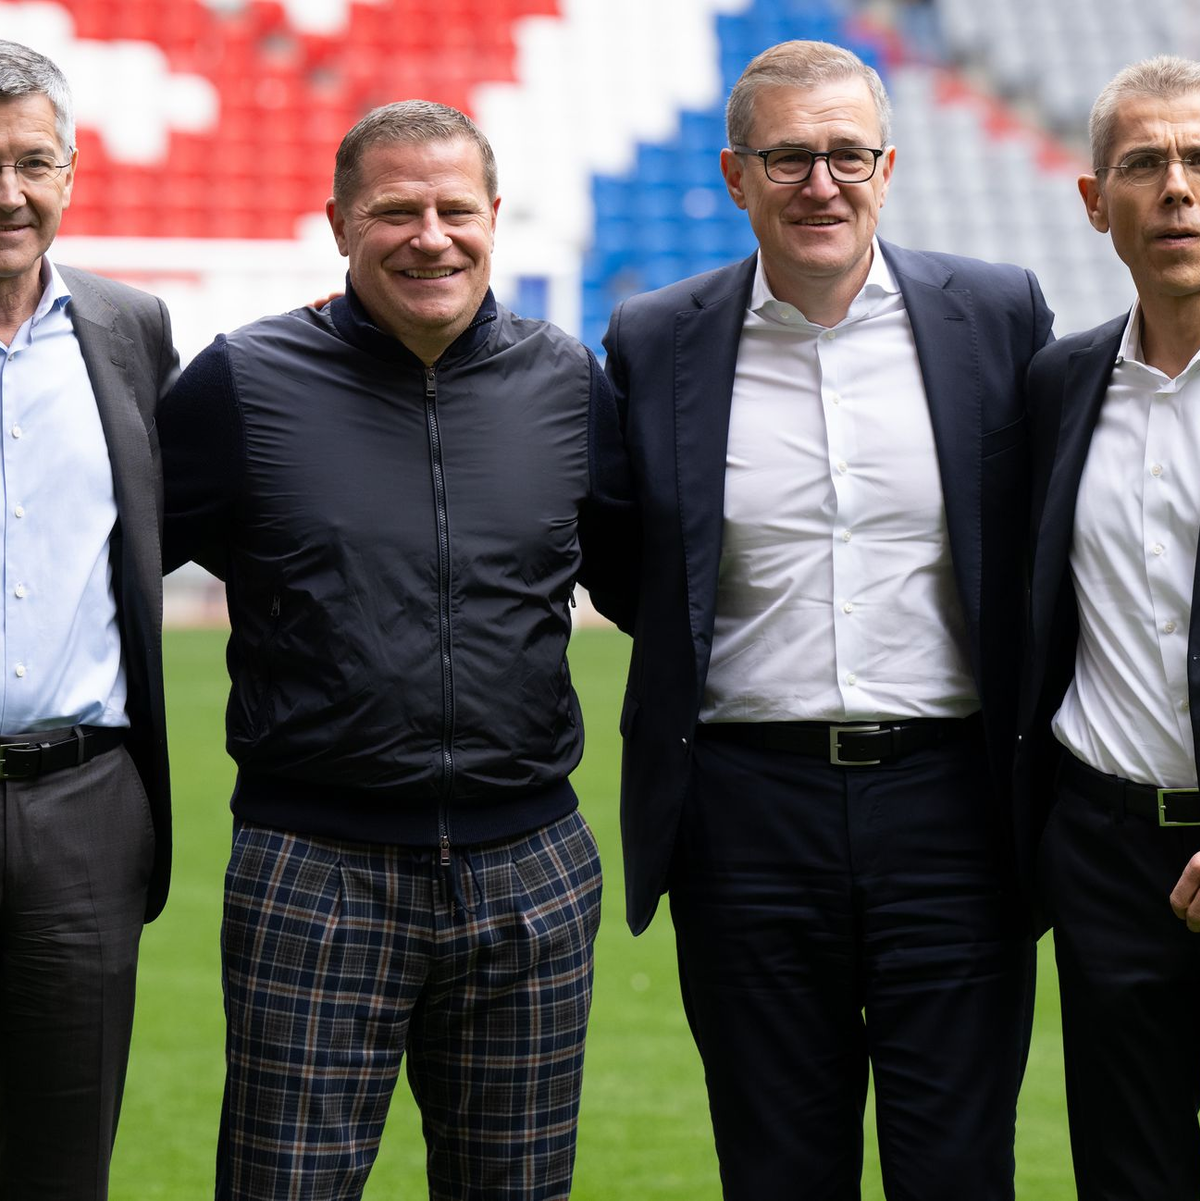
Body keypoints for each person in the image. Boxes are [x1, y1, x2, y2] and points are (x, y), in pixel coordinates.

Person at [588, 40, 1053, 1199]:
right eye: (788, 156)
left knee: (958, 1168)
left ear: (888, 168)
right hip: (745, 812)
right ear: (736, 176)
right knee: (777, 1168)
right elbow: (625, 565)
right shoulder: (657, 337)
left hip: (954, 806)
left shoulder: (997, 314)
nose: (821, 183)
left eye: (847, 154)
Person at [159, 100, 618, 1201]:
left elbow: (650, 582)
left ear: (495, 216)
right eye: (395, 211)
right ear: (339, 223)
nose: (430, 237)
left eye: (456, 209)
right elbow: (114, 568)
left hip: (532, 867)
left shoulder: (569, 383)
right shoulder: (241, 382)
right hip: (314, 865)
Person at [1017, 54, 1200, 1200]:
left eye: (1199, 160)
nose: (1178, 187)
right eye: (1144, 164)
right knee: (1129, 1177)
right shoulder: (1059, 384)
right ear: (1095, 201)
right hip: (1106, 857)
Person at [0, 38, 178, 1201]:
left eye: (33, 162)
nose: (9, 193)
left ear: (70, 172)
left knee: (62, 1163)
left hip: (81, 807)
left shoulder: (129, 328)